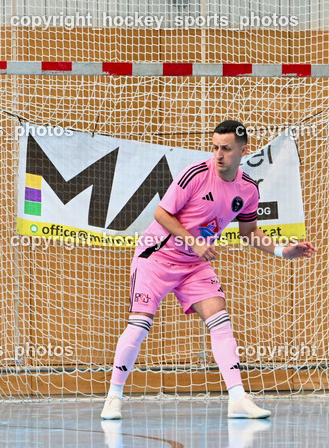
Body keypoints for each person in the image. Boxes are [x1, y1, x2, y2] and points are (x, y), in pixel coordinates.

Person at [102, 120, 317, 420]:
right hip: (156, 256)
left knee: (220, 319)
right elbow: (161, 213)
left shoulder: (248, 190)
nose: (218, 154)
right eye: (215, 147)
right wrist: (194, 242)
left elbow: (249, 232)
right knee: (140, 326)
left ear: (243, 150)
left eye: (226, 149)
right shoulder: (195, 174)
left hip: (193, 265)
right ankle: (113, 397)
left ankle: (238, 399)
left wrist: (283, 251)